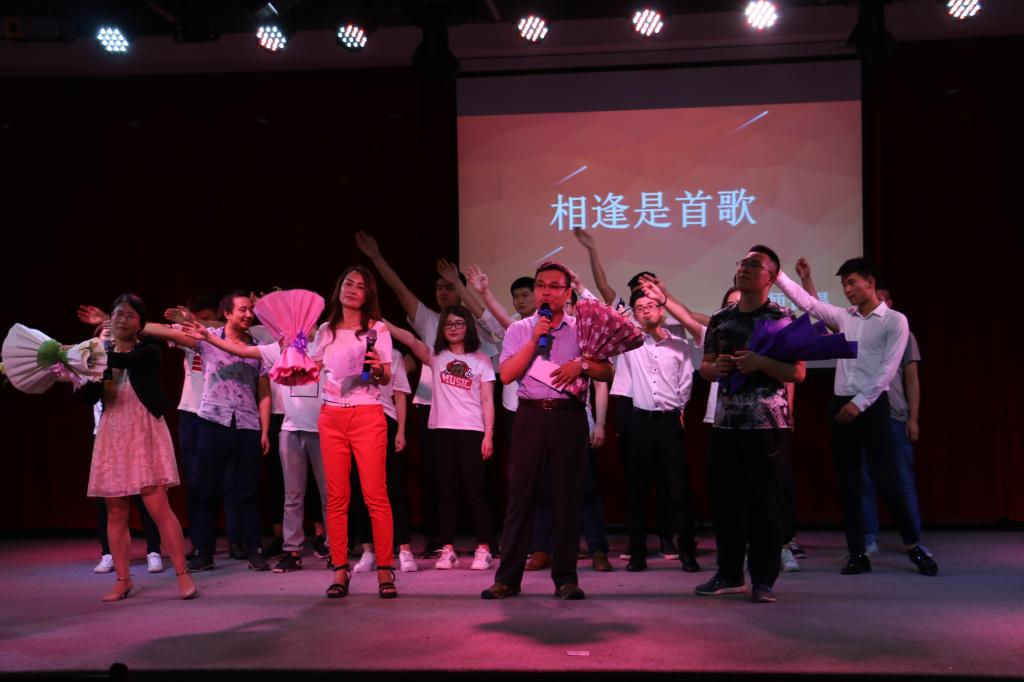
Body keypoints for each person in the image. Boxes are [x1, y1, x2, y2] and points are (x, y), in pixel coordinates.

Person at [778, 258, 938, 576]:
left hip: (874, 406)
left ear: (870, 282)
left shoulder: (894, 320)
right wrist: (776, 273)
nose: (847, 290)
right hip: (841, 404)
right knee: (848, 484)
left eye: (852, 282)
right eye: (843, 285)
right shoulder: (845, 317)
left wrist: (861, 403)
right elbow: (808, 302)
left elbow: (888, 370)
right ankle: (857, 553)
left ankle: (913, 546)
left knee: (888, 480)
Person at [355, 231, 501, 558]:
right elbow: (402, 299)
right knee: (438, 482)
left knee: (477, 484)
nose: (443, 291)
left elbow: (486, 320)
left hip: (472, 419)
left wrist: (460, 284)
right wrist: (376, 258)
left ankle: (487, 542)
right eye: (438, 287)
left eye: (449, 286)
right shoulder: (431, 325)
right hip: (434, 413)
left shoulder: (477, 332)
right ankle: (440, 541)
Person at [481, 261, 613, 601]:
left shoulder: (581, 327)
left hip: (569, 416)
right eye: (541, 285)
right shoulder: (519, 329)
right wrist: (533, 340)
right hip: (530, 415)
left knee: (568, 497)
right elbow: (506, 375)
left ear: (568, 293)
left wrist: (581, 364)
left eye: (555, 286)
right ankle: (507, 578)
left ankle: (566, 578)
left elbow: (607, 372)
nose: (546, 292)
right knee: (520, 497)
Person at [696, 246, 806, 603]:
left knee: (765, 504)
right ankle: (729, 574)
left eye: (754, 265)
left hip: (767, 426)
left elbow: (797, 373)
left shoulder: (782, 317)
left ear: (770, 278)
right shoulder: (720, 319)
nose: (744, 268)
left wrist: (760, 362)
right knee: (726, 503)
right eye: (742, 263)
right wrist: (716, 368)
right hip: (726, 424)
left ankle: (763, 579)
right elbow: (705, 367)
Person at [183, 321, 330, 574]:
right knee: (291, 496)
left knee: (329, 495)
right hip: (288, 427)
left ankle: (335, 549)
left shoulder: (325, 342)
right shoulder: (278, 347)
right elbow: (244, 351)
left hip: (321, 427)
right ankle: (291, 551)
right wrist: (208, 336)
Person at [145, 291, 273, 572]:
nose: (248, 314)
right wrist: (129, 323)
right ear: (227, 313)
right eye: (242, 310)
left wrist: (264, 429)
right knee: (207, 489)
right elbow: (169, 332)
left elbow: (264, 390)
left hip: (247, 424)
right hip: (213, 421)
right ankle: (204, 551)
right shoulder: (208, 337)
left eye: (250, 310)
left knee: (248, 490)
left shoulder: (258, 347)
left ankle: (254, 549)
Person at [83, 294, 197, 601]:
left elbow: (130, 361)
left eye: (129, 315)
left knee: (158, 507)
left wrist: (92, 356)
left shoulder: (149, 349)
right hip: (112, 431)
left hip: (143, 429)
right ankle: (123, 580)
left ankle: (182, 574)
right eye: (118, 314)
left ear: (140, 323)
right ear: (111, 319)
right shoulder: (102, 356)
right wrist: (88, 373)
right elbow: (89, 397)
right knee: (115, 511)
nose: (122, 319)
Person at [387, 305, 497, 570]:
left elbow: (487, 400)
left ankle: (484, 548)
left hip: (472, 431)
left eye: (459, 323)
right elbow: (410, 339)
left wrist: (489, 434)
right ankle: (447, 549)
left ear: (468, 326)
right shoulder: (436, 356)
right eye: (448, 324)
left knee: (475, 490)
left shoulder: (481, 359)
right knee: (446, 492)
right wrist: (381, 320)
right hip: (441, 431)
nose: (454, 328)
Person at [311, 267, 397, 599]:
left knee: (375, 495)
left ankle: (385, 570)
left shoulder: (377, 329)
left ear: (367, 295)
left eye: (360, 286)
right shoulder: (325, 330)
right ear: (339, 287)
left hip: (367, 415)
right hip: (331, 415)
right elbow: (312, 369)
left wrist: (375, 370)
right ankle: (339, 570)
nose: (352, 289)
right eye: (348, 283)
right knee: (336, 498)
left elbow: (385, 376)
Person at [617, 278, 706, 573]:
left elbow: (685, 383)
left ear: (662, 310)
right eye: (639, 307)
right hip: (639, 422)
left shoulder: (679, 345)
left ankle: (687, 552)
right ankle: (638, 553)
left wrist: (677, 410)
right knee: (637, 490)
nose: (645, 310)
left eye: (651, 305)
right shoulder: (629, 344)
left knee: (679, 490)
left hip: (669, 423)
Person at [348, 346, 417, 574]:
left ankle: (404, 548)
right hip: (355, 420)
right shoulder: (347, 350)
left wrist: (401, 430)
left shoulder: (393, 355)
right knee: (360, 489)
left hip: (385, 418)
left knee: (393, 487)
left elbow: (400, 394)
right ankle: (368, 550)